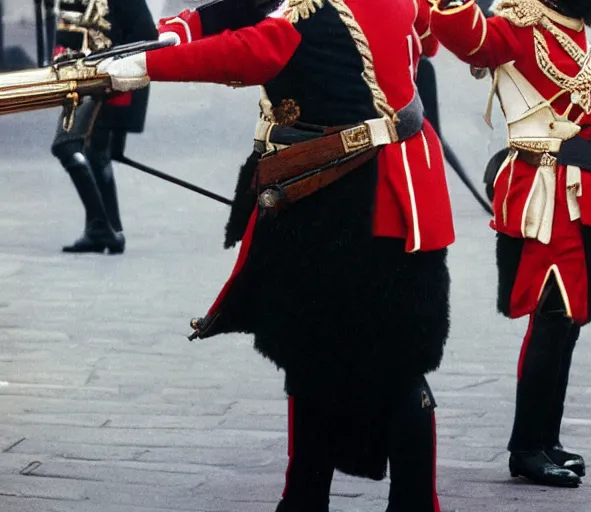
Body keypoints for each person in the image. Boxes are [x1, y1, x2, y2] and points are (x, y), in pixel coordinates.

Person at [98, 0, 455, 509]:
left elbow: (253, 50)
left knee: (381, 360)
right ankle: (313, 498)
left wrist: (147, 66)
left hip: (360, 197)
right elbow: (242, 10)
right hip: (355, 188)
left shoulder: (314, 12)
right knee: (320, 355)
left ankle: (402, 501)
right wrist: (177, 31)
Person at [429, 0, 591, 487]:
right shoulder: (517, 26)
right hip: (549, 194)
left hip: (589, 191)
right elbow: (464, 33)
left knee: (570, 322)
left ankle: (545, 437)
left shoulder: (572, 27)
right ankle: (526, 447)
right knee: (552, 315)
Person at [50, 0, 157, 254]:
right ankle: (110, 229)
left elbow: (146, 35)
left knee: (66, 145)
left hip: (108, 83)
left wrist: (116, 65)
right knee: (96, 153)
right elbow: (69, 34)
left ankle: (101, 227)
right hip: (84, 80)